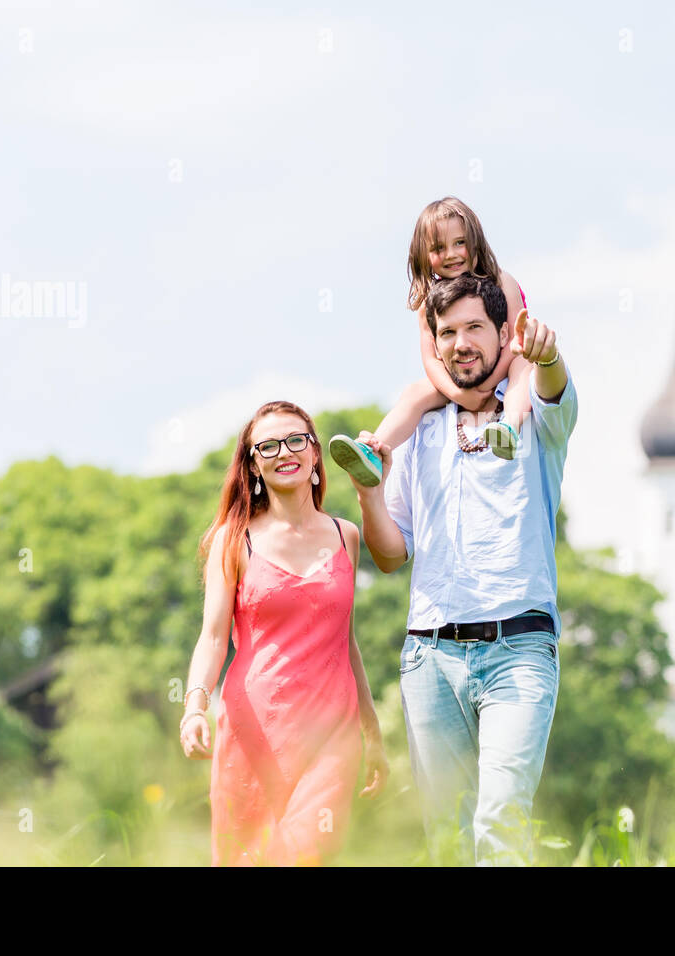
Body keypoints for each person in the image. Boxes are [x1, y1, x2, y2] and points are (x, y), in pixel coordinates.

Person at [346, 272, 577, 865]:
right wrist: (368, 495)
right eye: (447, 332)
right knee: (445, 839)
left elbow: (553, 385)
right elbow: (393, 555)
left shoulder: (532, 418)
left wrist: (546, 355)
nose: (461, 342)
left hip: (518, 650)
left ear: (505, 334)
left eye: (475, 327)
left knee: (499, 821)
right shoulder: (419, 427)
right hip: (430, 656)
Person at [180, 401, 388, 866]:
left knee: (306, 854)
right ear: (253, 463)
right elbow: (213, 637)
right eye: (268, 445)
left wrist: (371, 729)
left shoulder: (346, 535)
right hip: (254, 729)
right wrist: (194, 706)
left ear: (315, 454)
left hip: (332, 731)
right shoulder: (233, 540)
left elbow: (345, 640)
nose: (284, 452)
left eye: (296, 440)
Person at [328, 196, 534, 483]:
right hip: (459, 376)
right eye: (438, 248)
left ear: (476, 242)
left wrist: (487, 385)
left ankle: (509, 427)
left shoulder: (501, 280)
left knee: (525, 364)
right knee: (414, 392)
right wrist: (460, 394)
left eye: (459, 243)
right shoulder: (429, 302)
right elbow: (431, 360)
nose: (451, 254)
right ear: (423, 255)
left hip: (500, 365)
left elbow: (514, 341)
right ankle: (373, 450)